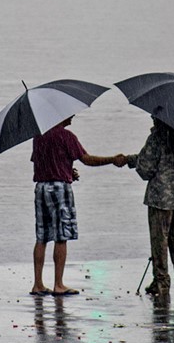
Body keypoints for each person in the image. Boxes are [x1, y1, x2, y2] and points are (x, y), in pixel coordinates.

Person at [30, 116, 126, 296]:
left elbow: (40, 162)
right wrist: (112, 159)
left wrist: (66, 169)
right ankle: (59, 284)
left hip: (41, 188)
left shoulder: (39, 136)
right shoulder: (66, 136)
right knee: (61, 236)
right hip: (60, 189)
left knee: (41, 237)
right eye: (70, 114)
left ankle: (38, 284)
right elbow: (87, 159)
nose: (73, 116)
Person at [126, 116, 174, 299]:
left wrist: (133, 162)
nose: (151, 118)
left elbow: (145, 170)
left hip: (160, 200)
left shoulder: (156, 138)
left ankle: (161, 283)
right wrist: (132, 159)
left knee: (159, 242)